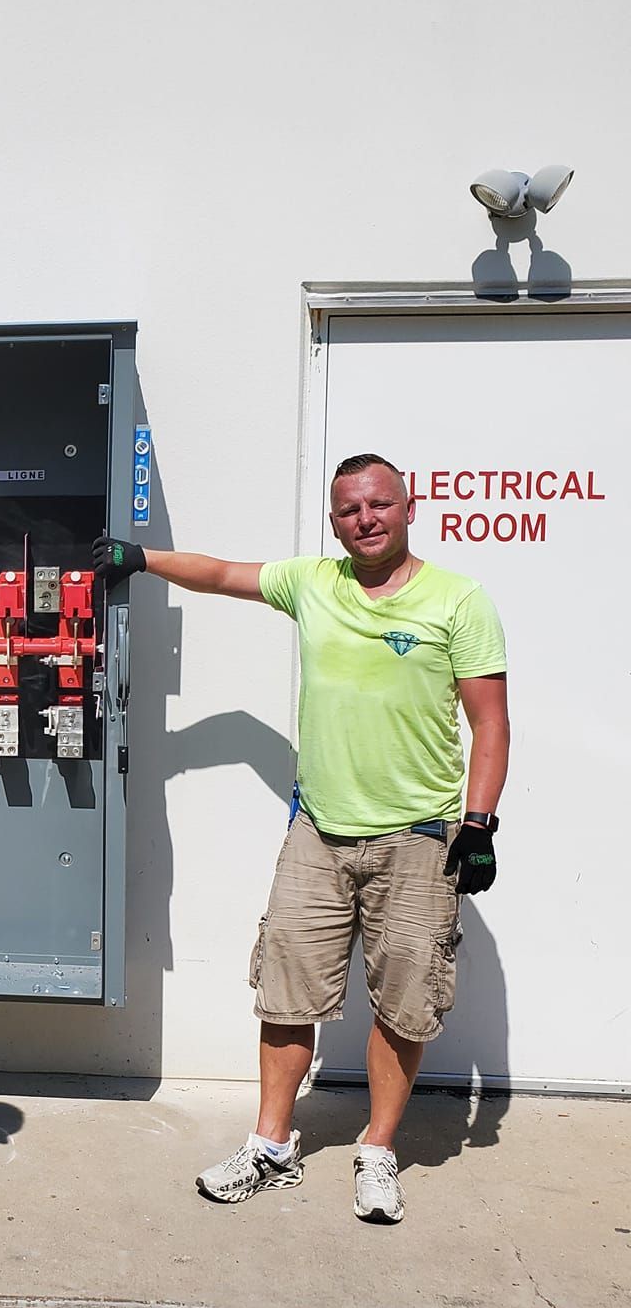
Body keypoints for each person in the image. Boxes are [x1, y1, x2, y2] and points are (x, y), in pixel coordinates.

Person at [96, 452, 509, 1224]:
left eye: (379, 505)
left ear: (408, 505)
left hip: (419, 838)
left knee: (404, 1001)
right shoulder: (312, 582)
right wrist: (140, 558)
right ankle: (272, 1145)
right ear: (334, 520)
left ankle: (378, 1150)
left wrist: (479, 824)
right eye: (349, 510)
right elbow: (220, 574)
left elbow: (491, 722)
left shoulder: (459, 601)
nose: (366, 520)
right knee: (285, 991)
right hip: (318, 832)